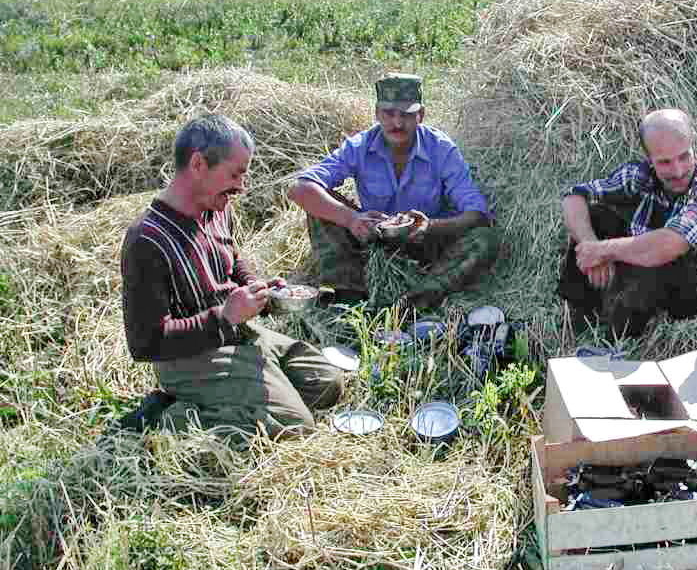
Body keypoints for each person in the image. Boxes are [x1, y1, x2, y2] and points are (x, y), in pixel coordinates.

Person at [120, 114, 347, 440]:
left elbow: (231, 259)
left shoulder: (216, 206)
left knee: (325, 383)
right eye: (235, 173)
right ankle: (165, 420)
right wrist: (225, 316)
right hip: (187, 356)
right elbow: (146, 344)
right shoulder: (147, 240)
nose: (242, 186)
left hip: (234, 332)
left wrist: (256, 287)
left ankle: (223, 400)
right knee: (295, 425)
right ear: (198, 164)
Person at [288, 73, 500, 309]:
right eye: (389, 114)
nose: (397, 123)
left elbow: (478, 214)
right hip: (370, 242)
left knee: (485, 239)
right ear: (377, 114)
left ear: (421, 115)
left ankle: (417, 299)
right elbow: (300, 189)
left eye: (406, 115)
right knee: (321, 206)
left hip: (425, 247)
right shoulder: (360, 146)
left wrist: (429, 227)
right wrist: (352, 219)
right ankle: (349, 294)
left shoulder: (440, 149)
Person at [558, 108, 697, 335]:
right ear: (649, 159)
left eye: (684, 156)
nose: (678, 170)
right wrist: (589, 243)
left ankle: (622, 337)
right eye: (664, 162)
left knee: (655, 260)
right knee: (596, 216)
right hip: (642, 261)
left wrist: (601, 250)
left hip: (691, 285)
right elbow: (574, 196)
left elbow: (667, 246)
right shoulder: (640, 175)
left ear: (693, 143)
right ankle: (582, 317)